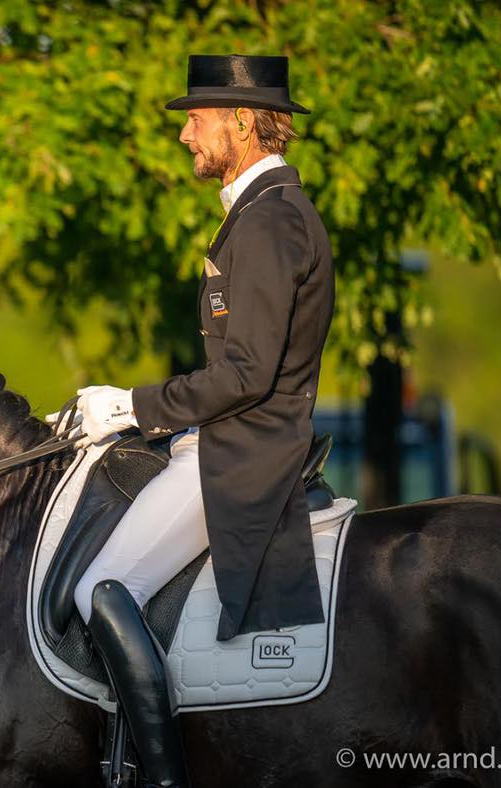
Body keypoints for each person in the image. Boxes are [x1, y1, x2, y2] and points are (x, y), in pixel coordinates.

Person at [47, 53, 335, 788]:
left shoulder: (270, 222)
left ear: (242, 121)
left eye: (196, 119)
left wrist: (129, 407)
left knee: (102, 589)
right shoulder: (257, 215)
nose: (185, 136)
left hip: (243, 454)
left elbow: (245, 375)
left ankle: (162, 776)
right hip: (221, 438)